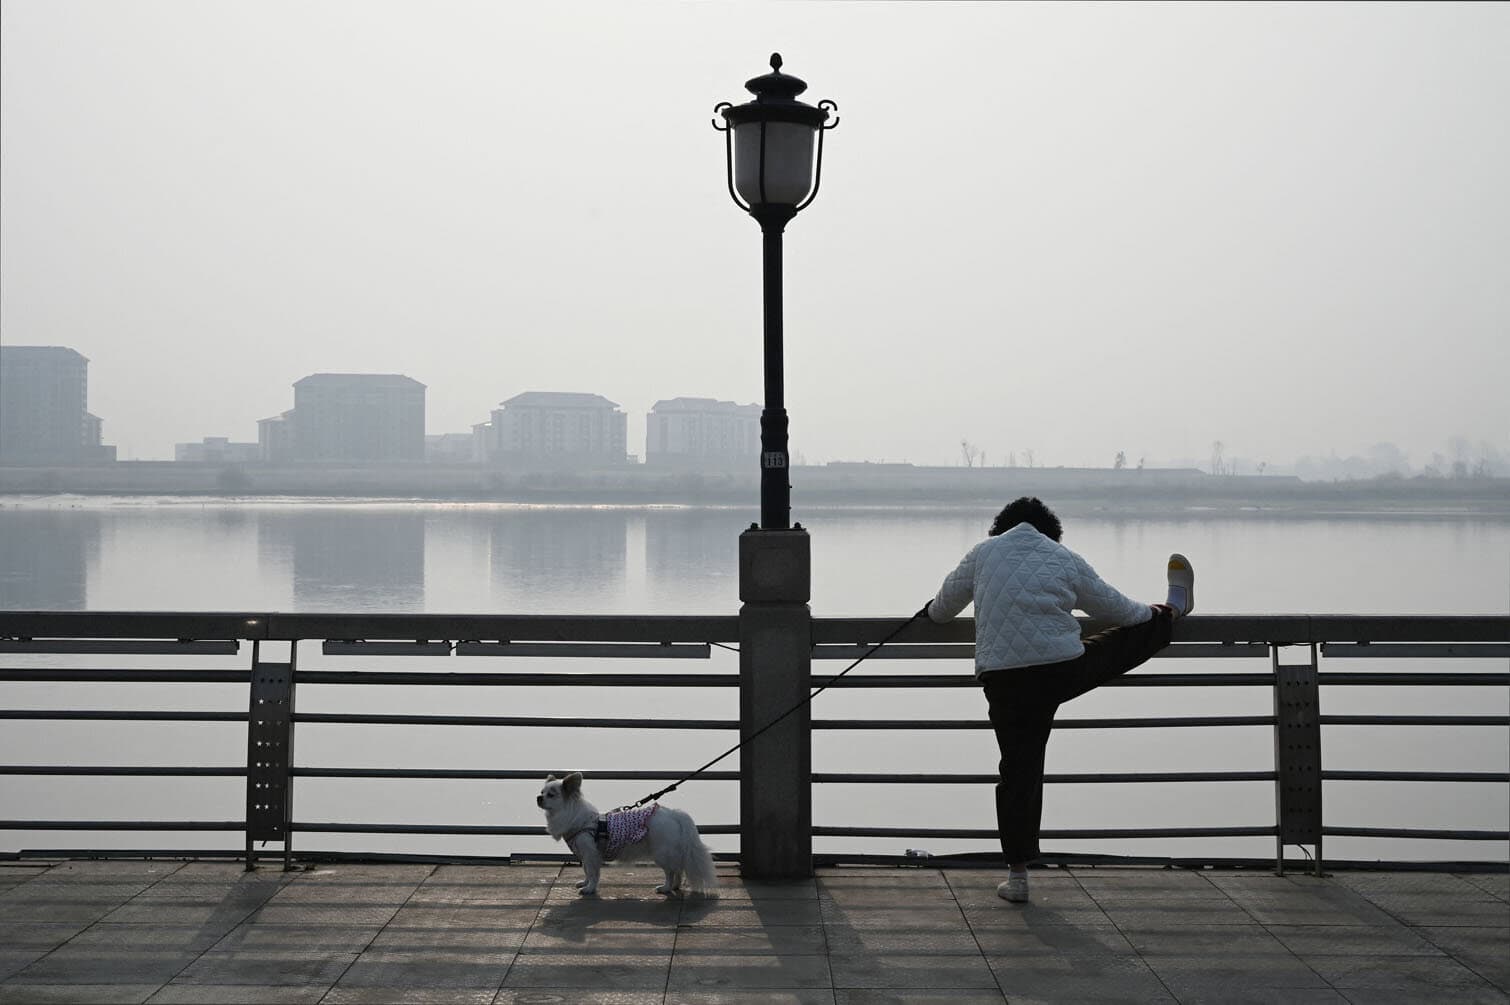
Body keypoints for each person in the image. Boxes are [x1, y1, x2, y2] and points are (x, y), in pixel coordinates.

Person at [923, 496, 1194, 903]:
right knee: (1119, 641)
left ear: (1001, 527)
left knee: (1018, 771)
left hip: (1004, 680)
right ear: (1051, 530)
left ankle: (1017, 878)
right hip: (1060, 670)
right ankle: (1174, 608)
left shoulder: (982, 553)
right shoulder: (1063, 557)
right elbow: (1118, 609)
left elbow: (942, 612)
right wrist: (1152, 614)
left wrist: (928, 609)